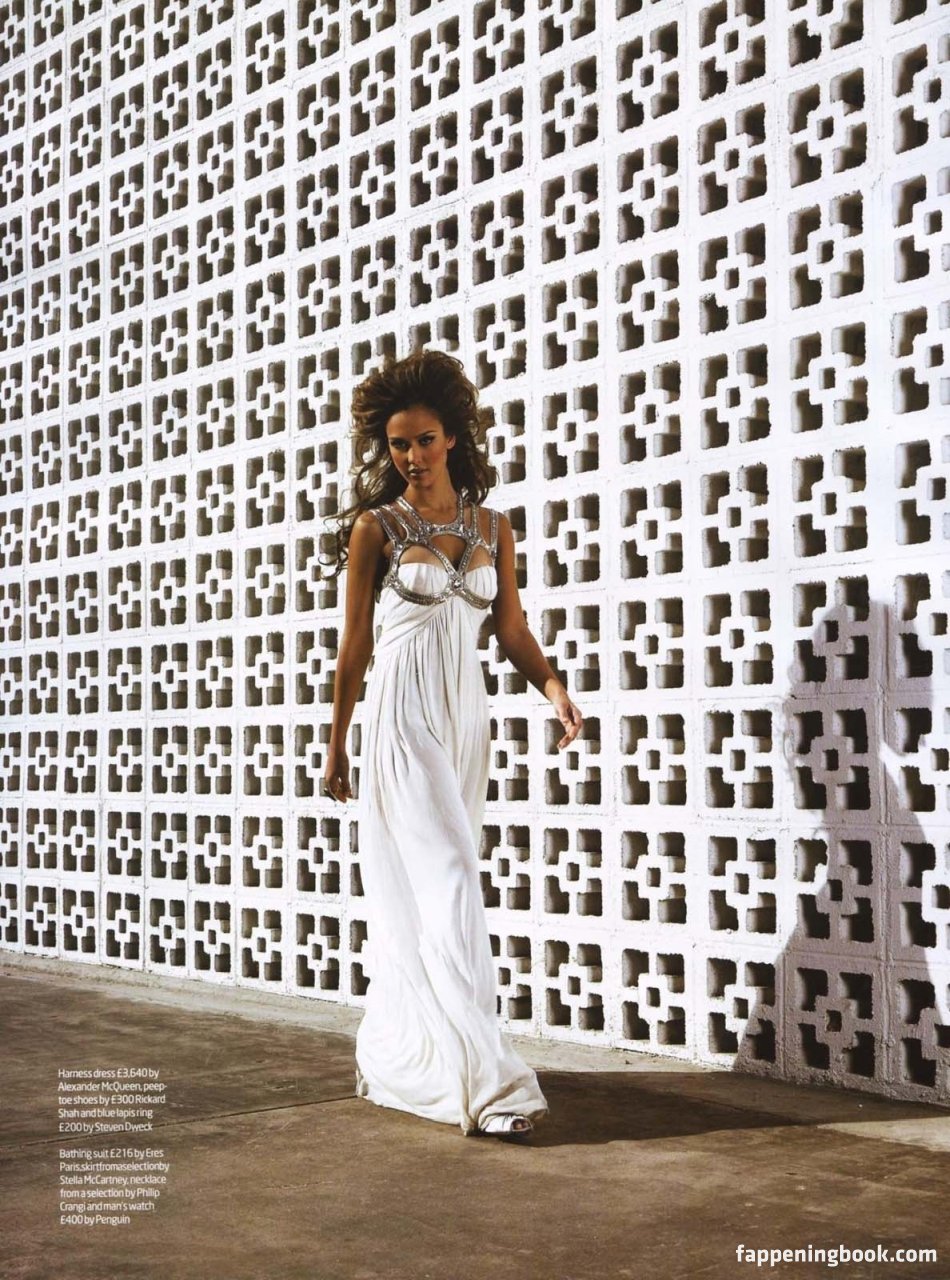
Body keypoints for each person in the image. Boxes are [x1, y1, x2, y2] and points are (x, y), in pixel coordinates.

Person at [322, 348, 583, 1141]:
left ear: (453, 439)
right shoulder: (376, 528)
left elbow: (512, 629)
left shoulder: (493, 527)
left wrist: (554, 688)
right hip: (400, 716)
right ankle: (493, 1084)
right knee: (453, 877)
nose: (413, 456)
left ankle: (429, 1055)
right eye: (399, 444)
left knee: (442, 887)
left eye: (426, 440)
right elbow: (355, 646)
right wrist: (336, 743)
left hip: (465, 717)